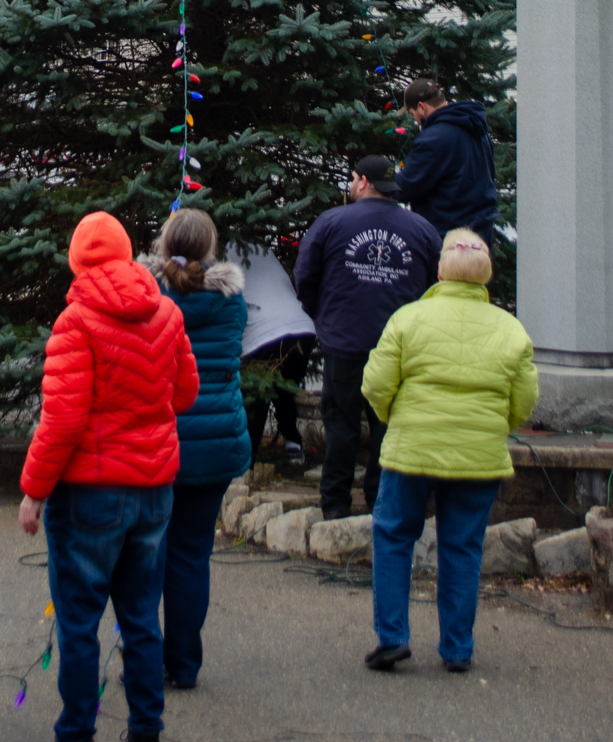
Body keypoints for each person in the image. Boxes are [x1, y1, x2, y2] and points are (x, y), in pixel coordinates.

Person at [17, 211, 199, 742]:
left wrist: (32, 491)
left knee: (78, 624)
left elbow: (62, 418)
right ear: (126, 254)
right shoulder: (167, 311)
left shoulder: (76, 322)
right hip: (153, 491)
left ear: (77, 260)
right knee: (142, 618)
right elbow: (186, 393)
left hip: (91, 494)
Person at [361, 229, 538, 674]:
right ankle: (457, 647)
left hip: (412, 448)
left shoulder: (407, 318)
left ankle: (392, 637)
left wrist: (395, 418)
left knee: (394, 535)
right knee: (462, 546)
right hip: (478, 454)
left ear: (439, 271)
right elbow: (524, 402)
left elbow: (376, 385)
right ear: (487, 278)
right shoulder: (511, 330)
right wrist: (493, 427)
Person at [294, 155, 441, 523]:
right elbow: (438, 287)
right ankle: (382, 502)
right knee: (387, 425)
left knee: (341, 424)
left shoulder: (331, 222)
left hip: (344, 342)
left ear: (361, 181)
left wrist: (322, 317)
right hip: (399, 347)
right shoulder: (422, 229)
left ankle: (336, 505)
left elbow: (305, 275)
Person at [142, 209, 251, 688]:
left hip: (156, 441)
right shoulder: (232, 303)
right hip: (214, 445)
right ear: (211, 248)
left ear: (163, 244)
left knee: (146, 556)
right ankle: (183, 664)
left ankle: (144, 662)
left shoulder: (147, 298)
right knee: (191, 554)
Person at [229, 240, 316, 465]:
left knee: (256, 400)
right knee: (285, 391)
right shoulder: (263, 249)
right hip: (302, 328)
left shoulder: (221, 253)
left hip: (261, 334)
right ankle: (294, 447)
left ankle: (248, 461)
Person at [395, 78, 499, 243]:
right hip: (481, 237)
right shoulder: (478, 129)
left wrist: (378, 180)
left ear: (421, 107)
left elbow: (405, 187)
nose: (414, 119)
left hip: (448, 241)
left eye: (411, 112)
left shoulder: (432, 139)